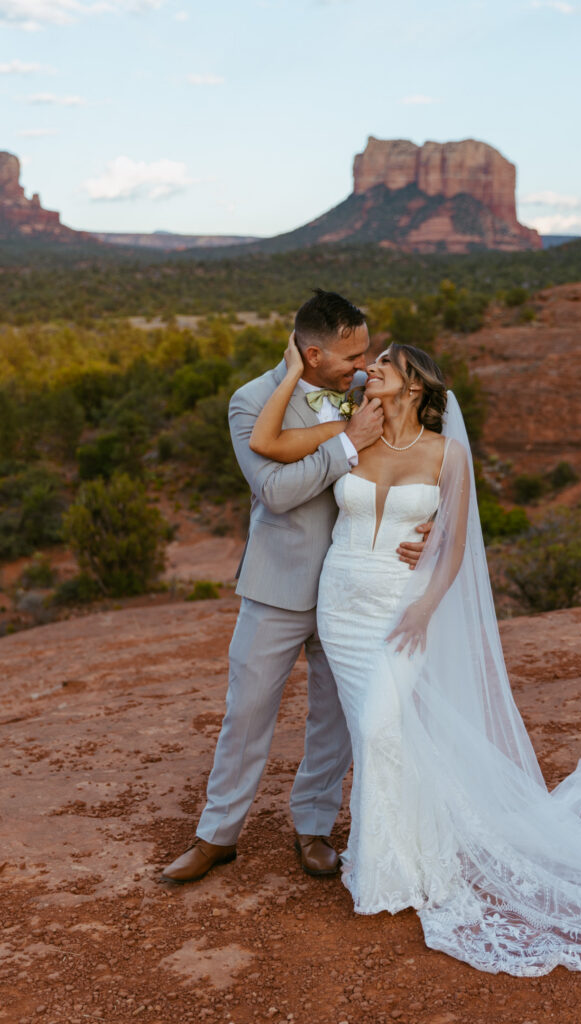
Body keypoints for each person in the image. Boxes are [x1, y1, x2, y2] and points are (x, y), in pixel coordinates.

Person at [250, 334, 581, 976]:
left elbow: (454, 542)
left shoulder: (449, 455)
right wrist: (290, 372)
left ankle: (406, 865)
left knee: (381, 724)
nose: (370, 370)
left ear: (415, 384)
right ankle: (393, 864)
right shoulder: (351, 431)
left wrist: (425, 606)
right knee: (381, 734)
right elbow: (268, 445)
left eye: (385, 365)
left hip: (401, 604)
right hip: (340, 602)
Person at [161, 289, 431, 884]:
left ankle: (313, 827)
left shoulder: (367, 392)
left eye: (367, 356)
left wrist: (432, 518)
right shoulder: (251, 402)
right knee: (247, 713)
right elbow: (276, 493)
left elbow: (419, 456)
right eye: (351, 357)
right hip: (275, 588)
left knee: (333, 718)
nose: (363, 367)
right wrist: (345, 444)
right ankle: (217, 836)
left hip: (352, 592)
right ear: (312, 354)